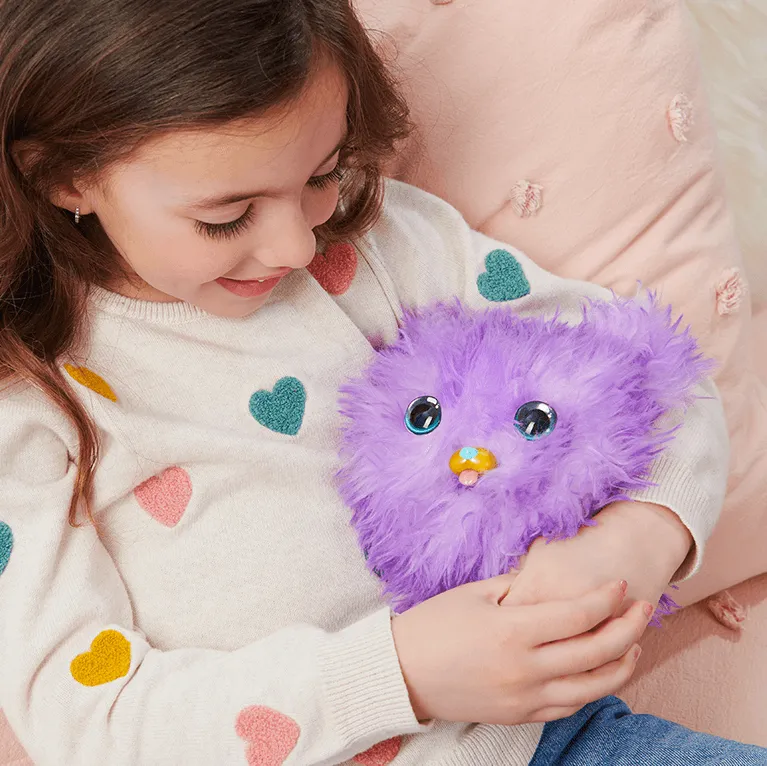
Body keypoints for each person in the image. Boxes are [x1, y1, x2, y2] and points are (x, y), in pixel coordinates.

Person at [0, 1, 763, 763]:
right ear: (65, 177)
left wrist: (638, 537)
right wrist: (401, 675)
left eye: (322, 174)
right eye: (228, 216)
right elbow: (85, 727)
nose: (297, 244)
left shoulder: (381, 247)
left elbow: (657, 375)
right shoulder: (32, 394)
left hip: (552, 747)